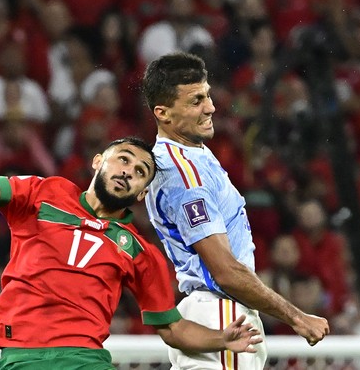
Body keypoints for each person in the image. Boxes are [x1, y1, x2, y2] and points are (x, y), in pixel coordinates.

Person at [0, 137, 262, 369]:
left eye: (140, 172)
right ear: (98, 161)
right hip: (22, 356)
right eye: (124, 159)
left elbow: (173, 328)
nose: (129, 172)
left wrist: (221, 340)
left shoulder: (140, 252)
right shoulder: (42, 193)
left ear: (141, 195)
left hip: (84, 360)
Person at [141, 52, 329, 369]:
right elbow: (224, 271)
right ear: (164, 113)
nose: (210, 107)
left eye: (208, 95)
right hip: (221, 316)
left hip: (217, 317)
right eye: (196, 101)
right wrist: (296, 317)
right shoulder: (186, 177)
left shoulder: (190, 154)